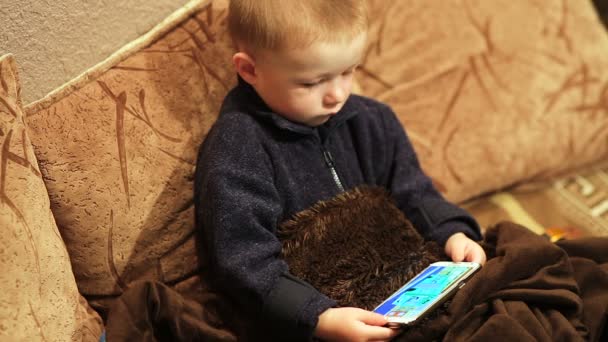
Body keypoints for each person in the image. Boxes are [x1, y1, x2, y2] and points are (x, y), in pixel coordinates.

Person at [194, 1, 487, 341]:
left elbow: (415, 193)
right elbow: (243, 260)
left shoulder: (373, 121)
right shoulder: (237, 147)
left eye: (347, 72)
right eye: (311, 83)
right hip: (321, 312)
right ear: (249, 71)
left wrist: (453, 233)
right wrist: (319, 317)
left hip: (408, 283)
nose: (337, 95)